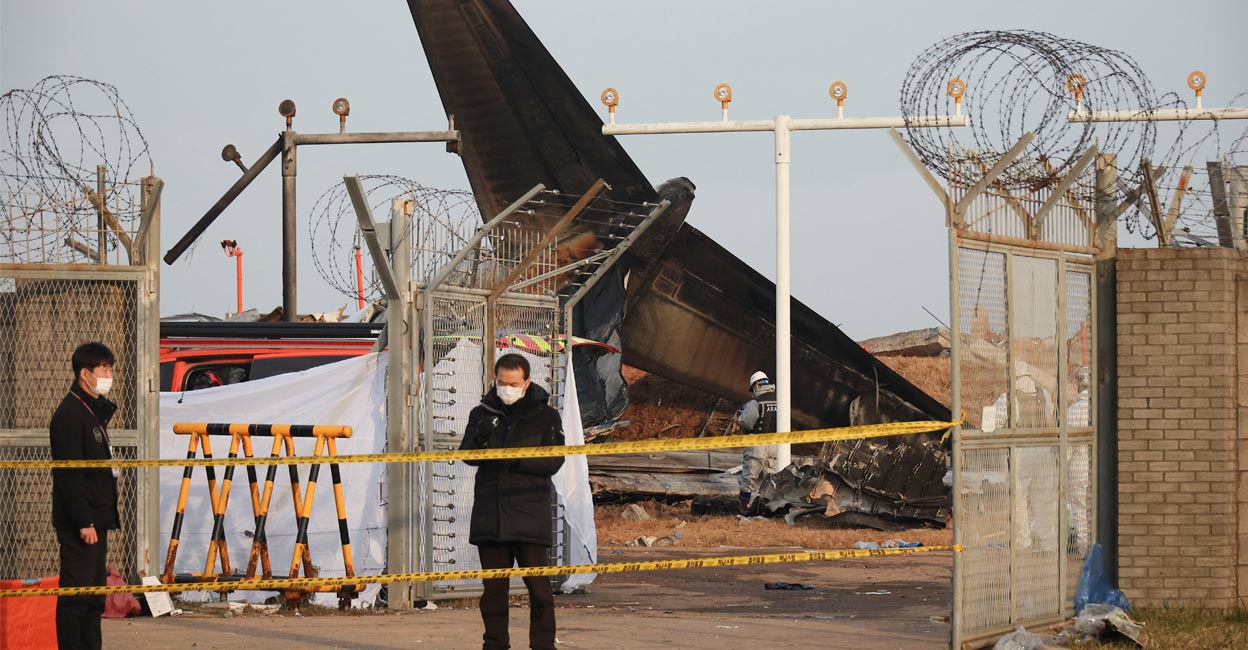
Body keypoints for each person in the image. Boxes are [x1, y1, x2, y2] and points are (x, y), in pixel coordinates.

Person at [459, 353, 565, 650]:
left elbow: (555, 460)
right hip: (491, 515)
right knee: (493, 592)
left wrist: (517, 459)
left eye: (513, 383)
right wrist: (480, 439)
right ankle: (494, 645)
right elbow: (466, 454)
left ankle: (543, 645)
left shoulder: (546, 416)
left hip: (529, 512)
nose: (507, 388)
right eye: (502, 382)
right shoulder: (482, 413)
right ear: (495, 379)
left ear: (526, 382)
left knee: (540, 591)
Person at [50, 342, 120, 650]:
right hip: (82, 524)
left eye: (110, 368)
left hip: (98, 519)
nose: (108, 374)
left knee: (94, 601)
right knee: (75, 601)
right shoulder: (69, 414)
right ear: (84, 373)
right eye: (103, 368)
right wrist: (84, 521)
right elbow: (69, 475)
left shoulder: (92, 411)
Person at [734, 371, 778, 515]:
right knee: (771, 477)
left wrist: (738, 419)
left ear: (756, 386)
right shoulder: (781, 399)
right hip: (777, 444)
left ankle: (745, 508)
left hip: (757, 445)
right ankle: (771, 508)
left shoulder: (755, 403)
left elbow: (746, 422)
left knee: (749, 478)